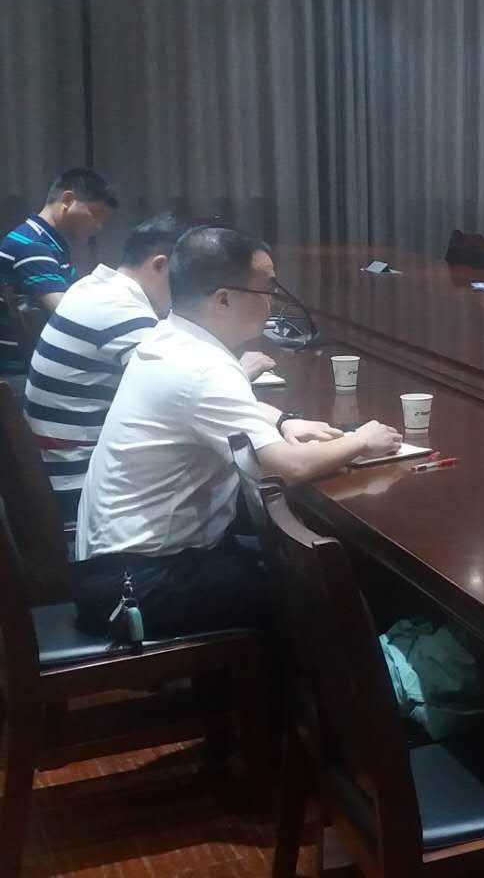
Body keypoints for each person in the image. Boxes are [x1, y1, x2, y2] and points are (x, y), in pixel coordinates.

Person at [71, 227, 403, 639]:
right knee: (330, 592)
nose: (272, 301)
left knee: (300, 564)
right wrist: (362, 439)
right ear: (223, 299)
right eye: (266, 289)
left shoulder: (172, 338)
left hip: (116, 566)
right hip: (137, 584)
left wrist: (282, 421)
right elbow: (286, 467)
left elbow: (209, 409)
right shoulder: (203, 367)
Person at [23, 215, 277, 532]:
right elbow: (188, 390)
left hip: (66, 470)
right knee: (263, 490)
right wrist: (239, 372)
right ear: (162, 265)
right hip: (84, 490)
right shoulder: (122, 312)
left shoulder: (95, 287)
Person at [1, 168, 119, 384]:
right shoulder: (33, 246)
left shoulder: (44, 241)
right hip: (15, 375)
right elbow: (66, 312)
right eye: (96, 213)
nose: (99, 226)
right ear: (67, 200)